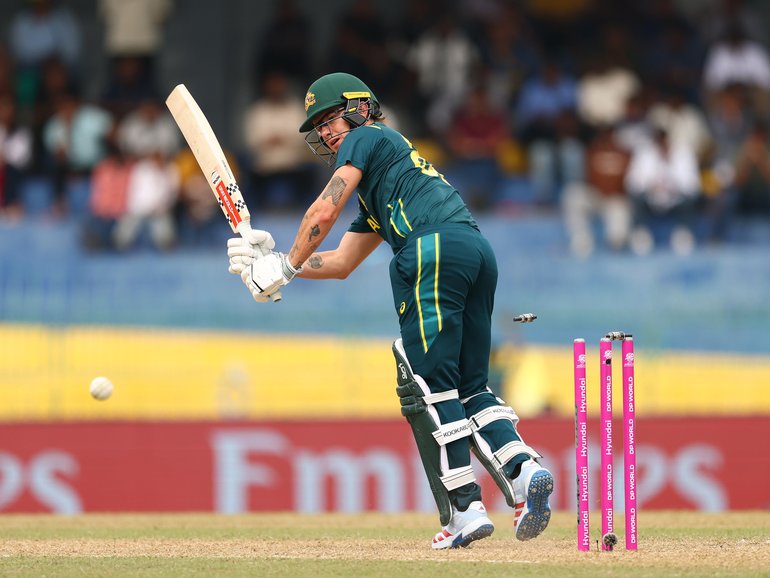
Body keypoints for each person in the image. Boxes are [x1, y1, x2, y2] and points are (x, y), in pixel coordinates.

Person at [226, 72, 553, 549]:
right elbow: (342, 262)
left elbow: (322, 211)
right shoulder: (388, 178)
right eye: (318, 126)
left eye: (329, 119)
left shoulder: (367, 136)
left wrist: (287, 262)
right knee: (471, 386)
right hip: (474, 252)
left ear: (359, 108)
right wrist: (274, 264)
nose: (325, 132)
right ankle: (523, 471)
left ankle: (465, 509)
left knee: (430, 384)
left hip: (429, 250)